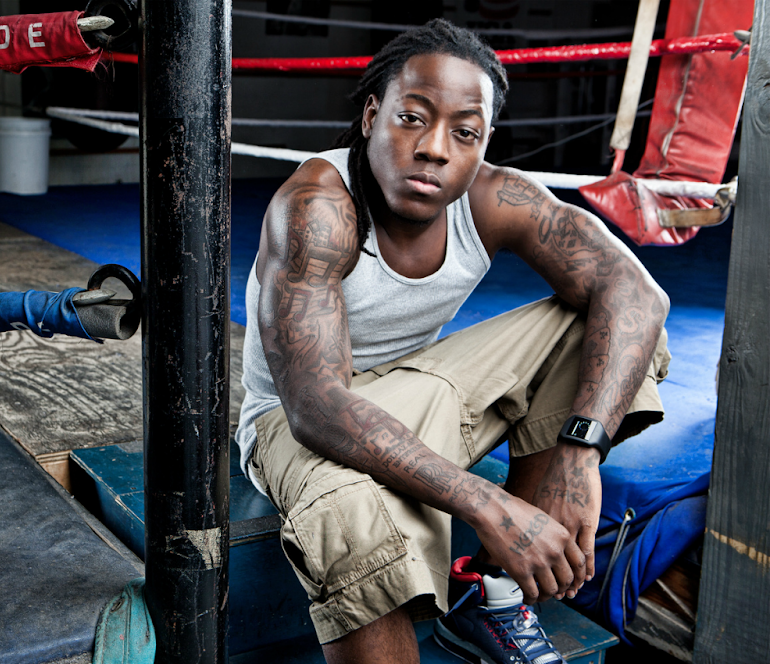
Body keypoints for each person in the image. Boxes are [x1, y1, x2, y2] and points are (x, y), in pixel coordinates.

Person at [235, 18, 671, 664]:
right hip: (296, 421)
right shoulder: (318, 207)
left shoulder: (495, 197)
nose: (435, 148)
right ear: (371, 117)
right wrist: (490, 506)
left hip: (418, 390)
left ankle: (489, 593)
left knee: (610, 328)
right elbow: (317, 407)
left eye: (464, 132)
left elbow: (638, 293)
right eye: (412, 119)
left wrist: (581, 454)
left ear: (484, 142)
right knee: (348, 514)